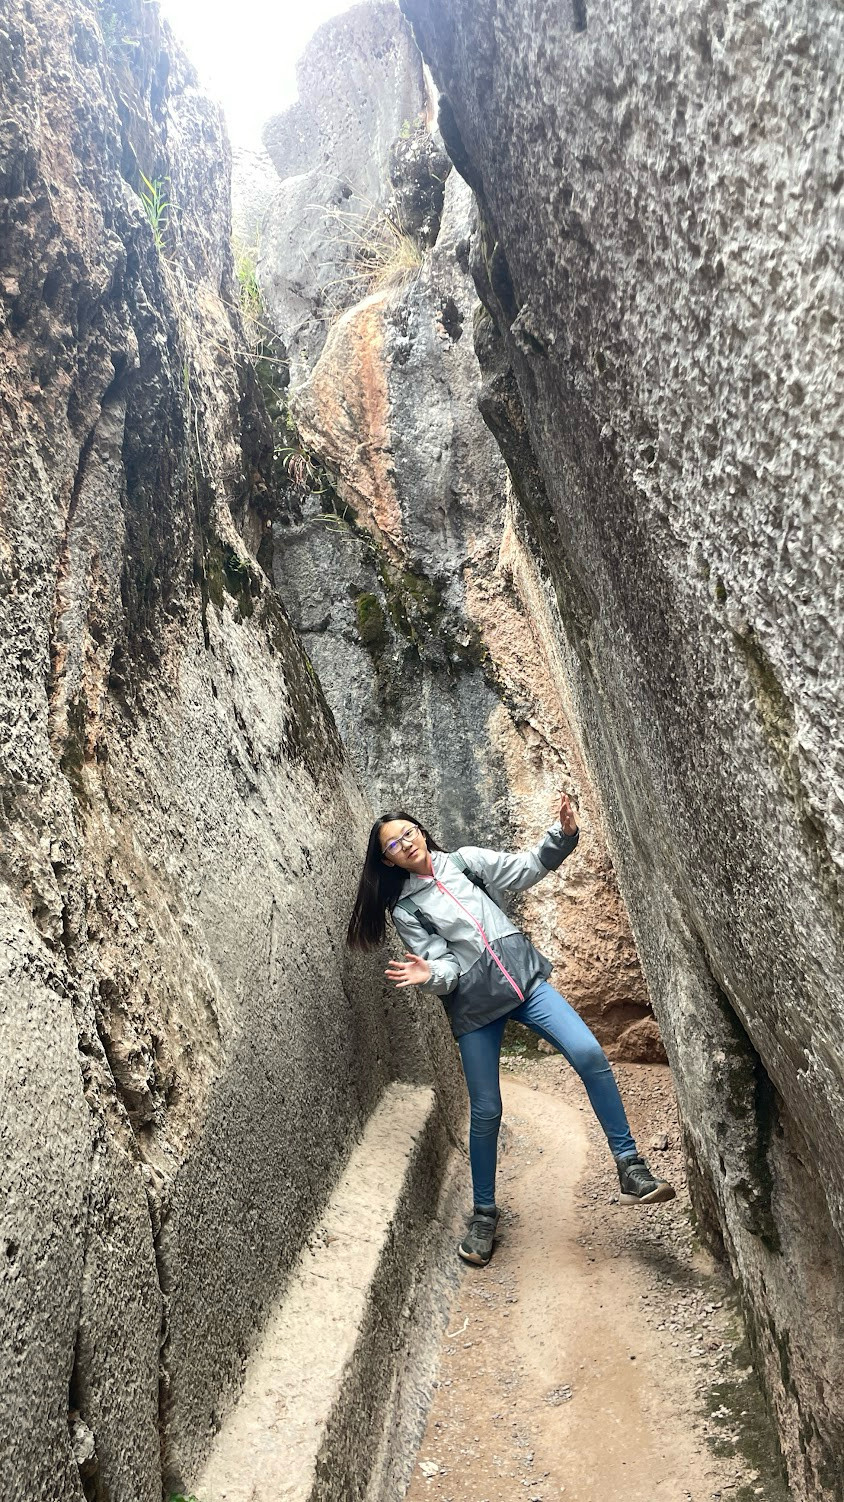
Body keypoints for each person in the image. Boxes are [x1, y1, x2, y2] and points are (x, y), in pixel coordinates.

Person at [347, 792, 675, 1266]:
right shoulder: (405, 910)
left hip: (525, 983)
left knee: (589, 1054)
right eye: (394, 844)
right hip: (476, 1009)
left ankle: (630, 1167)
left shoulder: (466, 862)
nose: (405, 842)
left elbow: (524, 869)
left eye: (408, 832)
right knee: (486, 1111)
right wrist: (429, 976)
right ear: (387, 859)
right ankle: (484, 1215)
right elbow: (443, 968)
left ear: (420, 831)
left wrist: (562, 836)